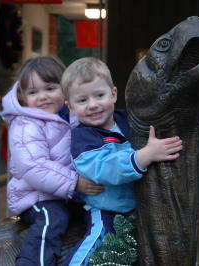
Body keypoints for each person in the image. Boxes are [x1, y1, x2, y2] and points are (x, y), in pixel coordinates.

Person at [60, 57, 183, 265]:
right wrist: (143, 156)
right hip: (107, 208)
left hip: (138, 208)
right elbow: (105, 169)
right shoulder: (83, 139)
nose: (93, 105)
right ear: (70, 107)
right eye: (82, 100)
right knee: (97, 240)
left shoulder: (128, 121)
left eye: (99, 95)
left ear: (113, 94)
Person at [1, 56, 104, 266]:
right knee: (52, 219)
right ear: (23, 97)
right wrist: (75, 183)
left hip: (69, 195)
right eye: (33, 92)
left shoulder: (74, 117)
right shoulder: (26, 125)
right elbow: (34, 165)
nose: (42, 97)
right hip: (37, 196)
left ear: (64, 88)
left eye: (49, 88)